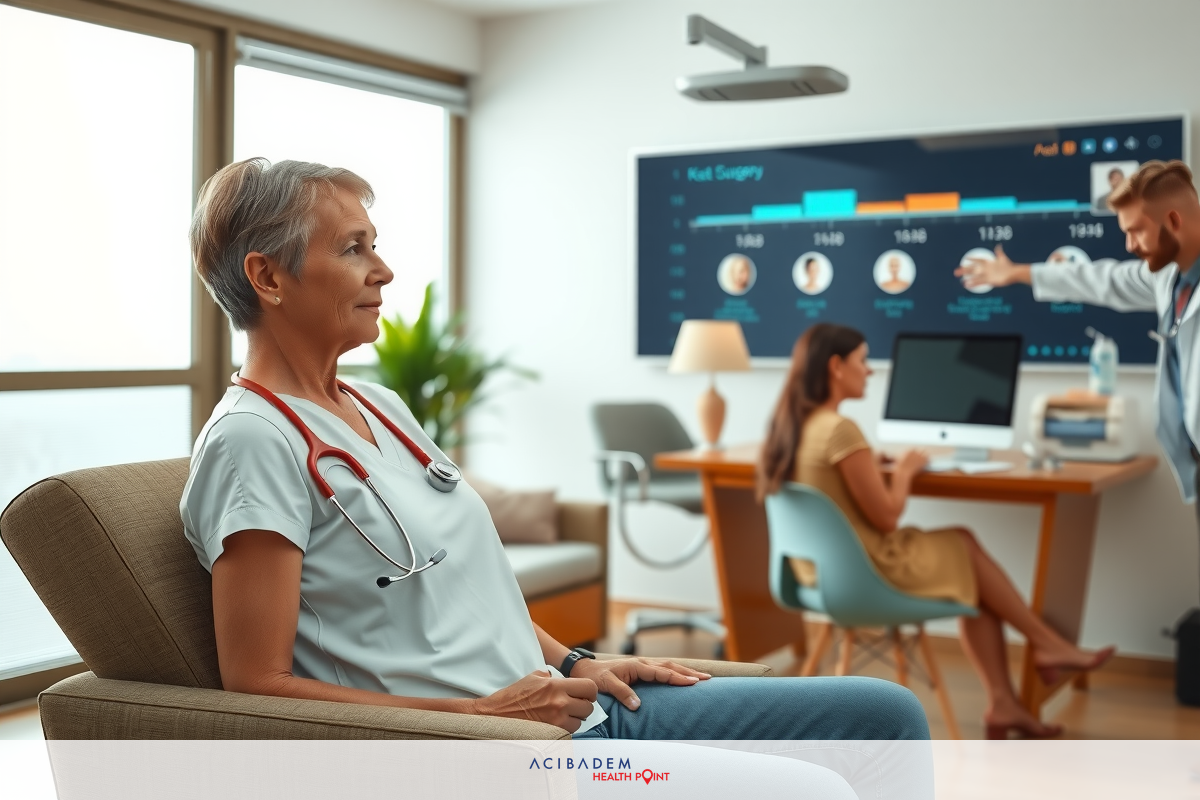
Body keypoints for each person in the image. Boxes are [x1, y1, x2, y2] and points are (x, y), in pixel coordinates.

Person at [180, 158, 929, 745]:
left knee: (887, 716)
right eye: (354, 249)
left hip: (571, 704)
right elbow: (257, 684)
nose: (385, 271)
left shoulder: (381, 405)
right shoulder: (254, 441)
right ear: (268, 276)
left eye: (375, 246)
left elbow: (466, 591)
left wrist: (576, 661)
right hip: (502, 746)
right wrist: (477, 714)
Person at [756, 324, 1115, 739]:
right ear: (836, 367)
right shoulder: (839, 429)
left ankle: (1007, 703)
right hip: (866, 573)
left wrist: (873, 464)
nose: (870, 372)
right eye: (863, 361)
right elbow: (888, 518)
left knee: (969, 576)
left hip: (814, 577)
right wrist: (904, 473)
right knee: (962, 544)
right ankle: (1044, 645)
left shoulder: (792, 427)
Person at [956, 160, 1200, 506]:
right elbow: (1101, 280)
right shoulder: (1169, 277)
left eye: (1137, 231)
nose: (1129, 245)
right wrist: (1017, 273)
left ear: (1173, 221)